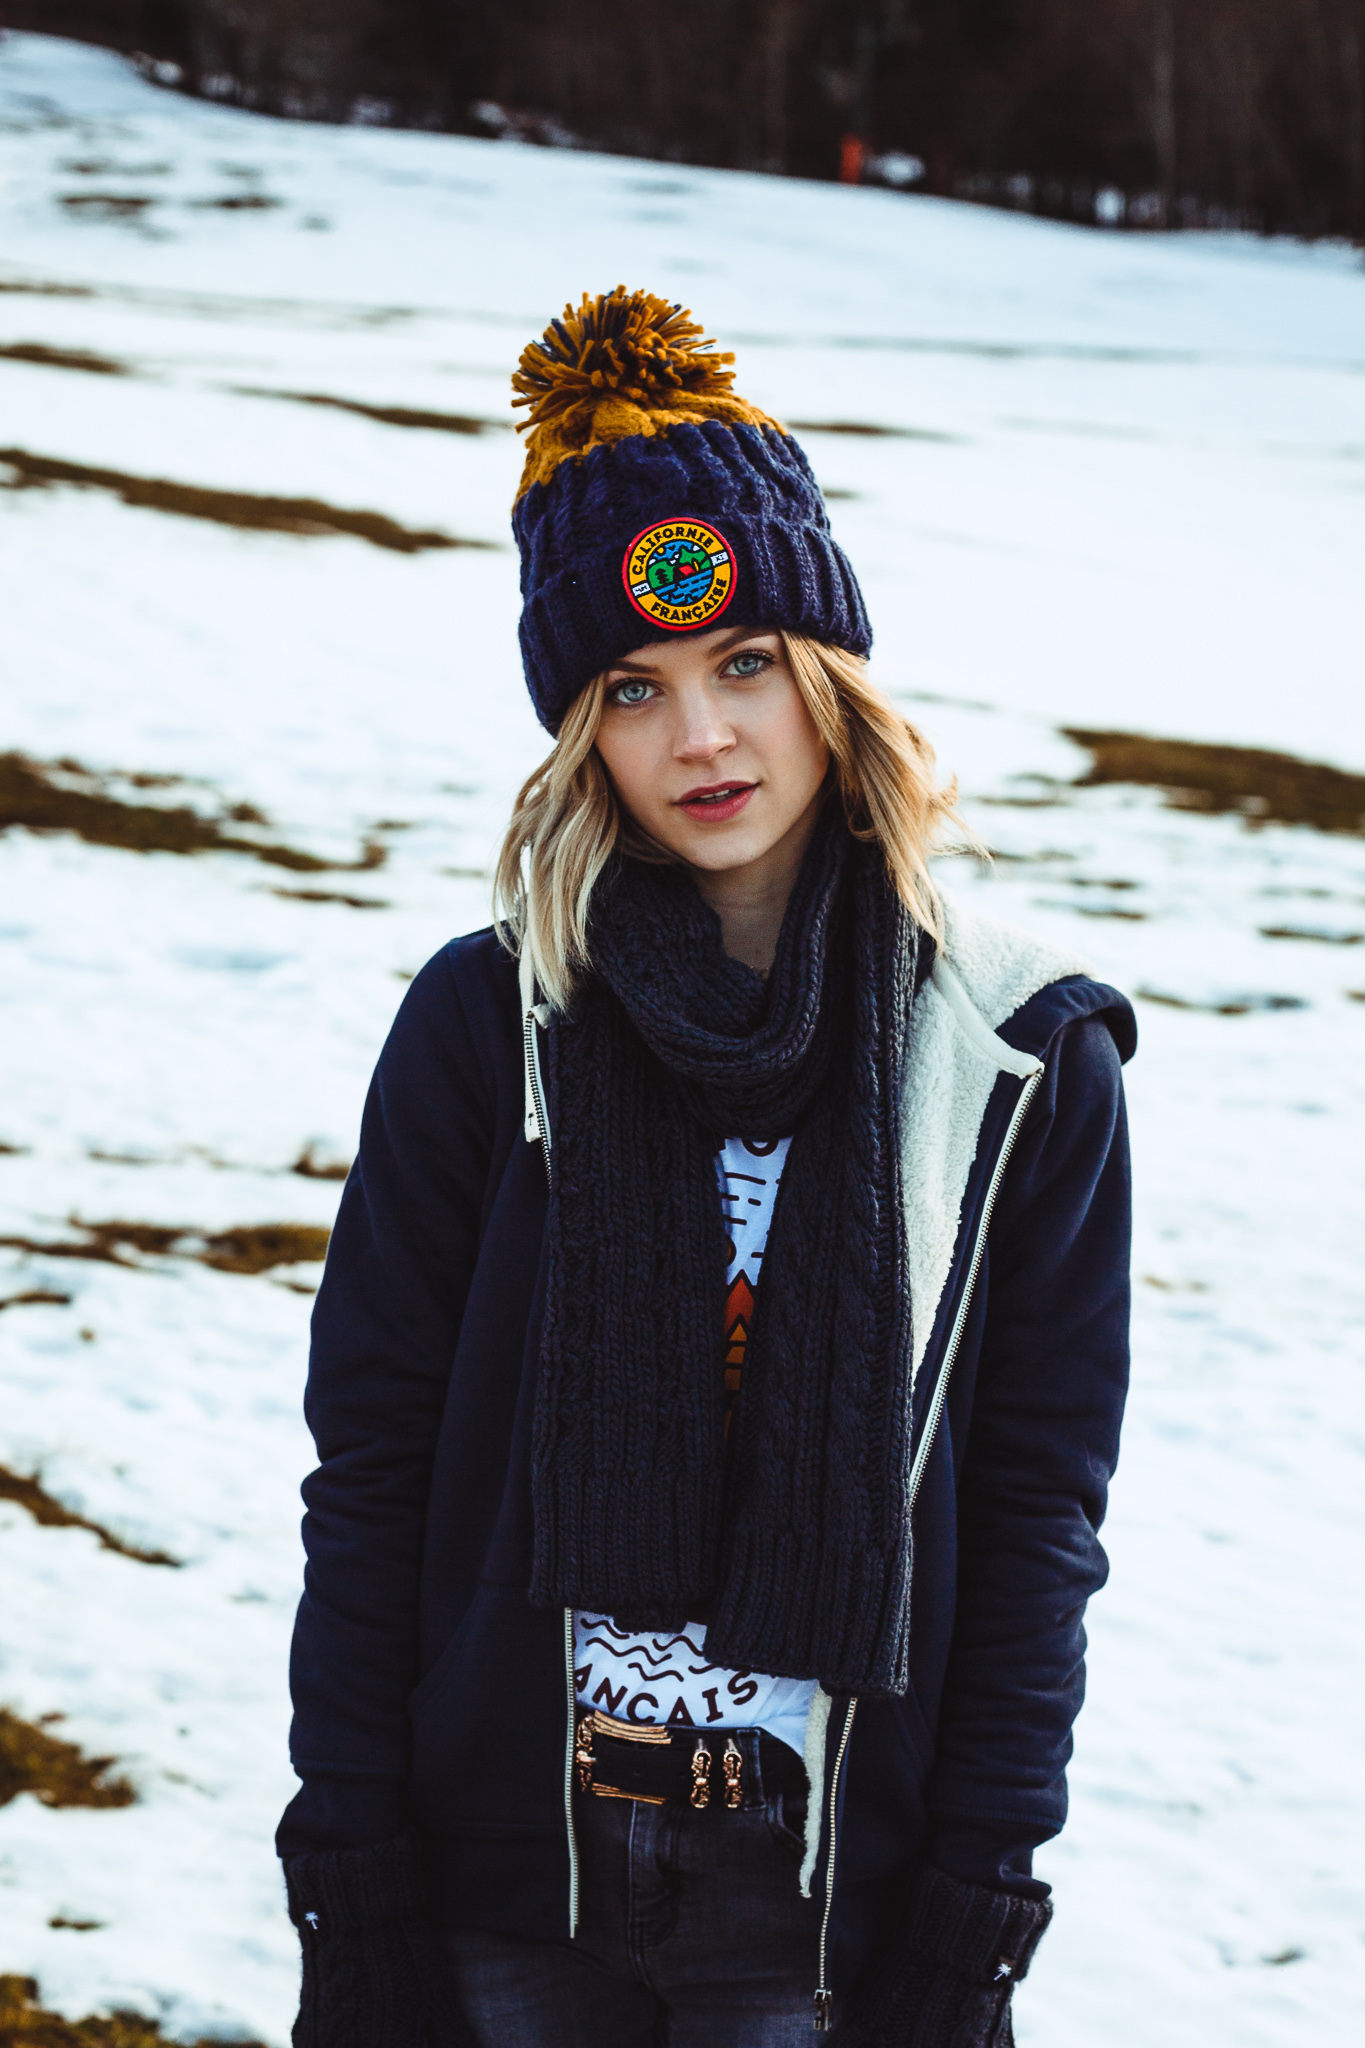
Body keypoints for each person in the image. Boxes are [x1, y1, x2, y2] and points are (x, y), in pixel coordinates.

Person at [277, 287, 1135, 2047]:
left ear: (829, 678)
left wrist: (977, 1901)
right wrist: (347, 1851)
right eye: (633, 690)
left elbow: (1037, 1513)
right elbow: (371, 1466)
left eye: (746, 664)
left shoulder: (1020, 1051)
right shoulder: (489, 1022)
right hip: (505, 1868)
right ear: (579, 731)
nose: (702, 739)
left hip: (824, 1903)